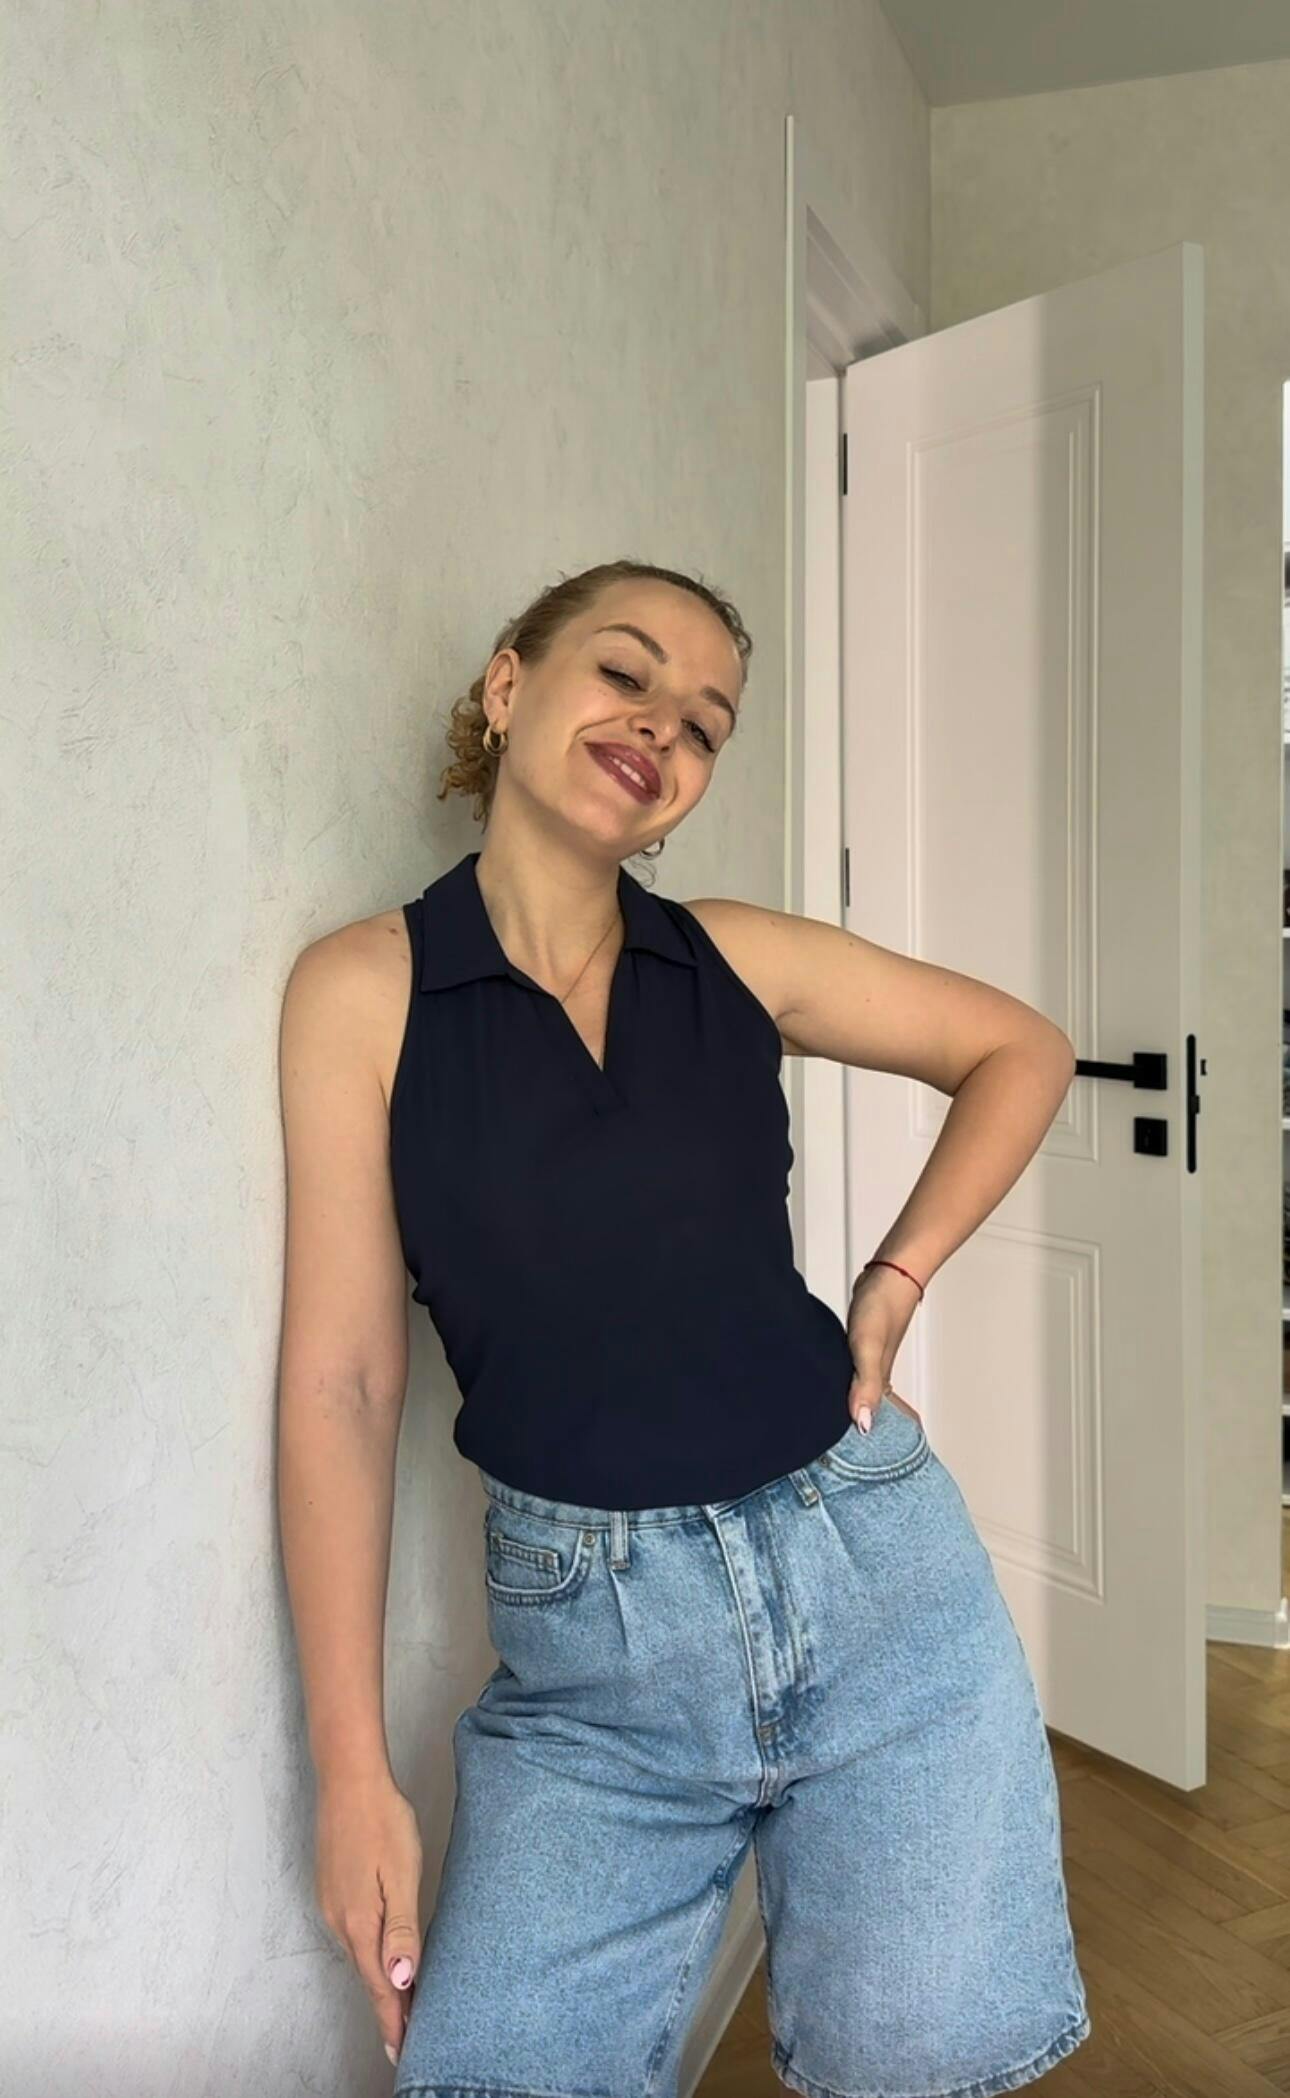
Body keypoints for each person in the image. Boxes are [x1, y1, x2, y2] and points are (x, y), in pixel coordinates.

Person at [276, 558, 1092, 2097]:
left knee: (910, 2067)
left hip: (878, 1588)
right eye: (625, 670)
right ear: (506, 686)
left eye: (704, 722)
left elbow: (1020, 1049)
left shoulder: (731, 955)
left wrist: (894, 1276)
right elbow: (342, 1383)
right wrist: (348, 1768)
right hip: (595, 1671)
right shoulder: (363, 991)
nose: (661, 723)